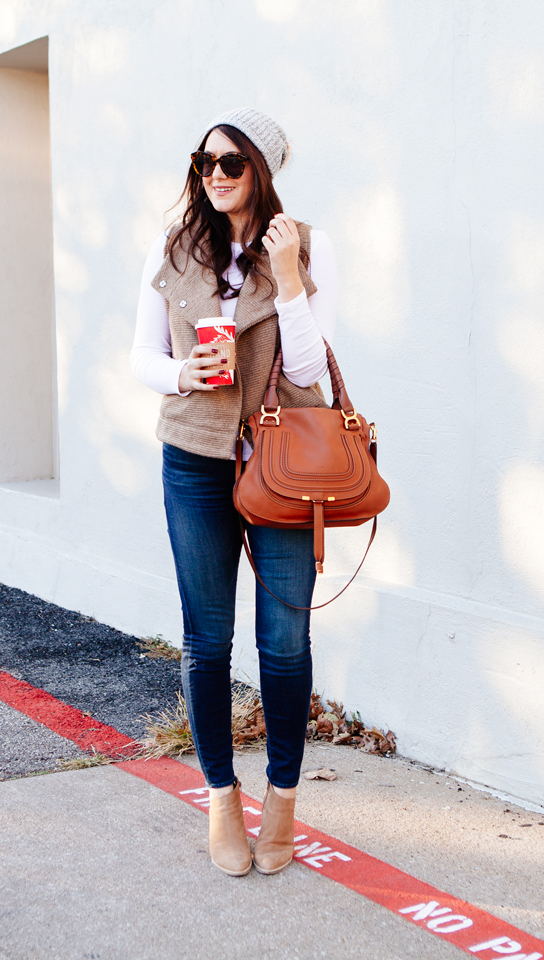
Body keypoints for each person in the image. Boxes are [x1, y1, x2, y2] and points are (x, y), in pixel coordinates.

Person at [130, 108, 338, 877]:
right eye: (205, 161)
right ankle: (222, 797)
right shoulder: (175, 247)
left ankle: (281, 799)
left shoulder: (308, 249)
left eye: (231, 163)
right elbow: (142, 356)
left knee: (283, 644)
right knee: (206, 639)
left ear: (263, 169)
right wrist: (183, 374)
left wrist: (287, 284)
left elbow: (312, 374)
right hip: (194, 458)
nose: (214, 175)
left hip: (283, 465)